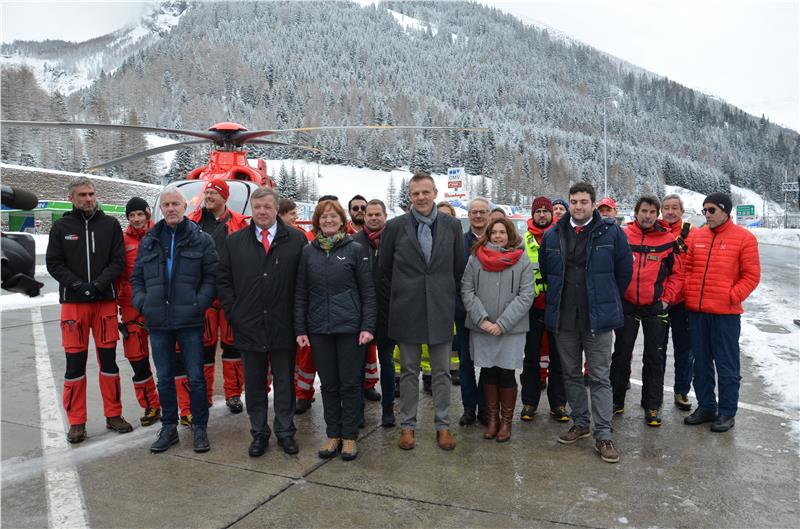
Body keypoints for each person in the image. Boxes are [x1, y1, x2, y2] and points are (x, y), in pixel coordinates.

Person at [539, 181, 632, 463]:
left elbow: (623, 272)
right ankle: (580, 423)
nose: (578, 206)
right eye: (574, 201)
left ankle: (603, 434)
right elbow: (547, 271)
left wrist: (605, 299)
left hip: (597, 319)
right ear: (569, 203)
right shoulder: (553, 235)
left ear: (593, 204)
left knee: (600, 378)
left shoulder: (612, 233)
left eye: (583, 202)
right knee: (570, 374)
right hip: (564, 318)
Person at [217, 187, 307, 457]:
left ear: (276, 209)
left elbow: (303, 283)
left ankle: (285, 432)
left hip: (283, 324)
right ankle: (259, 433)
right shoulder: (235, 242)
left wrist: (298, 318)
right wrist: (234, 312)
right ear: (251, 210)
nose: (262, 212)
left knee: (284, 383)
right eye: (257, 207)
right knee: (254, 384)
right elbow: (223, 280)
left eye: (267, 207)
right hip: (249, 324)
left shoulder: (296, 239)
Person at [380, 172, 464, 451]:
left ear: (435, 193)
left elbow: (458, 268)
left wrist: (442, 294)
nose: (421, 198)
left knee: (441, 372)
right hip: (407, 310)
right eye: (415, 193)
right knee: (408, 371)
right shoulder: (395, 227)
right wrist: (404, 293)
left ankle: (443, 426)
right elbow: (384, 270)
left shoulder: (452, 226)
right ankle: (408, 426)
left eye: (425, 192)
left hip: (440, 309)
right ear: (409, 196)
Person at [131, 185, 217, 454]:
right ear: (161, 209)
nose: (171, 209)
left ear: (185, 207)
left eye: (175, 204)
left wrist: (198, 304)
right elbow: (136, 278)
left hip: (189, 320)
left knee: (196, 377)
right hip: (158, 321)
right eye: (166, 205)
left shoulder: (201, 239)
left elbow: (212, 277)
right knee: (165, 378)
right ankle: (169, 428)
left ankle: (200, 427)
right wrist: (143, 303)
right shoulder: (149, 240)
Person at [46, 176, 130, 443]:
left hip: (104, 302)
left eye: (91, 194)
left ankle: (113, 414)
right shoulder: (61, 227)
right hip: (73, 305)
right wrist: (79, 286)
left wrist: (98, 285)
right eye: (82, 195)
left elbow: (118, 261)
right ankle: (76, 422)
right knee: (74, 364)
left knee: (109, 362)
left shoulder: (110, 225)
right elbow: (54, 263)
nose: (88, 199)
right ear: (71, 198)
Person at [295, 199, 376, 461]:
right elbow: (301, 293)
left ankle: (350, 436)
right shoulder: (308, 252)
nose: (328, 220)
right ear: (317, 222)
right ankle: (333, 434)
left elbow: (368, 292)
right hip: (319, 329)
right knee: (329, 385)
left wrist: (367, 326)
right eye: (323, 216)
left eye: (333, 216)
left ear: (342, 221)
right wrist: (301, 329)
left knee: (350, 384)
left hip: (351, 329)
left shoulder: (355, 249)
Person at [682, 192, 760, 433]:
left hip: (725, 315)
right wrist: (689, 291)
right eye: (704, 210)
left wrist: (731, 296)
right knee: (701, 363)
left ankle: (727, 412)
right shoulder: (698, 236)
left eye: (712, 210)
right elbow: (687, 268)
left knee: (727, 365)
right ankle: (706, 407)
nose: (707, 215)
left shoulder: (744, 238)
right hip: (697, 313)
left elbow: (751, 275)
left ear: (725, 211)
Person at [610, 195, 682, 427]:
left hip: (655, 307)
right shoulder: (623, 235)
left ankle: (652, 405)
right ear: (636, 212)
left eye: (652, 212)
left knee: (654, 357)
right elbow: (611, 268)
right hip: (627, 305)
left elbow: (678, 274)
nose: (648, 216)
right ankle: (616, 400)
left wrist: (666, 299)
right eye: (644, 211)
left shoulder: (668, 240)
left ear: (657, 214)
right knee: (621, 355)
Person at [462, 218, 534, 442]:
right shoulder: (476, 257)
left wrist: (502, 324)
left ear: (510, 234)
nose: (498, 236)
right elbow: (467, 290)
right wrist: (482, 320)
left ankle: (506, 423)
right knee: (488, 372)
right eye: (494, 232)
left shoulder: (522, 258)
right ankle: (492, 420)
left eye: (502, 232)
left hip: (511, 330)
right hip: (482, 328)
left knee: (506, 373)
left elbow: (526, 295)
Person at [187, 179, 249, 414]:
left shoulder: (239, 223)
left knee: (232, 346)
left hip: (230, 293)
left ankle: (233, 394)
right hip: (202, 293)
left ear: (225, 197)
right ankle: (204, 395)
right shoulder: (192, 222)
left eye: (214, 193)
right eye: (207, 192)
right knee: (205, 346)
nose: (209, 196)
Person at [520, 197, 568, 423]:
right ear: (533, 214)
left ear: (551, 214)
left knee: (559, 358)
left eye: (545, 211)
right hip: (531, 307)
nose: (541, 214)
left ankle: (558, 404)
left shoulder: (562, 236)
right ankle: (529, 403)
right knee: (531, 358)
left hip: (557, 306)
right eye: (537, 211)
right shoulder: (522, 240)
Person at [117, 197, 161, 427]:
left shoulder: (160, 234)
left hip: (159, 304)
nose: (136, 219)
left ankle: (180, 404)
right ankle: (151, 405)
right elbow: (117, 272)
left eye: (139, 214)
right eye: (132, 215)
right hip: (131, 306)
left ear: (147, 215)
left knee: (169, 357)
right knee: (137, 358)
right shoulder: (121, 240)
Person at [353, 199, 397, 427]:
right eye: (369, 214)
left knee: (387, 363)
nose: (373, 218)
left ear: (385, 216)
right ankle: (358, 411)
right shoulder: (354, 242)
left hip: (388, 312)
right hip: (361, 315)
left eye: (377, 214)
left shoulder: (394, 241)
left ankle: (388, 410)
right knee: (358, 366)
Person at [455, 197, 491, 426]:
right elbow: (454, 278)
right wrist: (462, 308)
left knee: (489, 363)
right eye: (474, 212)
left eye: (482, 212)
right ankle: (469, 407)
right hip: (465, 313)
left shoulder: (498, 240)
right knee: (466, 363)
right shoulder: (458, 243)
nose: (478, 216)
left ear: (489, 215)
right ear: (468, 216)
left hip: (491, 315)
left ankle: (486, 408)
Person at [660, 193, 695, 411]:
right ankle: (655, 391)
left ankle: (681, 391)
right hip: (661, 300)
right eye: (666, 208)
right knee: (657, 349)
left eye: (675, 208)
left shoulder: (693, 233)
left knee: (684, 349)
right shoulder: (656, 231)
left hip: (683, 301)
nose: (670, 212)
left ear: (682, 211)